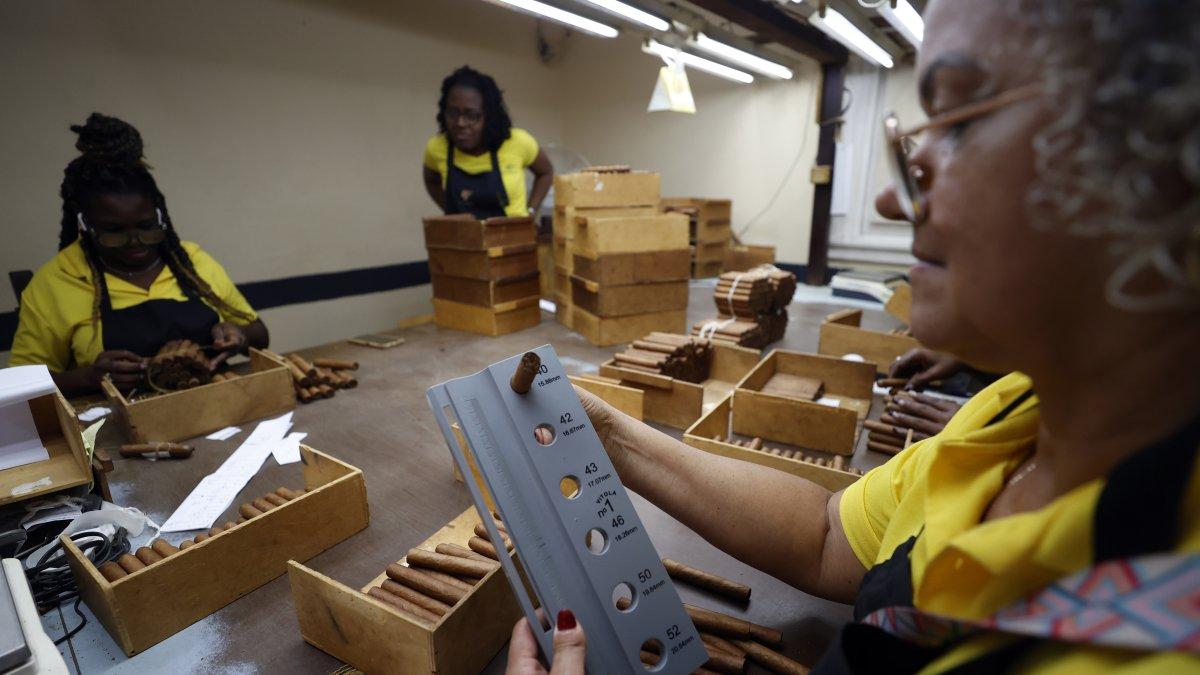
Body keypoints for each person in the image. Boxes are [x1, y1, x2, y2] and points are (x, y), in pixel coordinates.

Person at [507, 0, 1200, 671]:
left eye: (957, 121)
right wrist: (613, 439)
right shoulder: (1016, 413)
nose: (891, 199)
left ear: (1166, 168)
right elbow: (830, 534)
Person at [10, 113, 268, 397]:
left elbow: (259, 333)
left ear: (160, 217)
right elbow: (21, 387)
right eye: (114, 230)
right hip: (111, 423)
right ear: (86, 225)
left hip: (212, 404)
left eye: (147, 227)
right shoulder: (57, 281)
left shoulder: (191, 262)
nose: (135, 242)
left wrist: (237, 335)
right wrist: (88, 378)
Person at [422, 66, 554, 220]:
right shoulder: (437, 147)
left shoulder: (518, 142)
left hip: (513, 240)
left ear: (489, 116)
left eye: (471, 116)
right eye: (453, 113)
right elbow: (431, 180)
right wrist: (451, 211)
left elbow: (545, 173)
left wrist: (530, 212)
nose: (460, 123)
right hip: (461, 241)